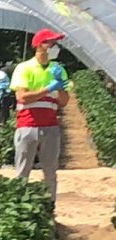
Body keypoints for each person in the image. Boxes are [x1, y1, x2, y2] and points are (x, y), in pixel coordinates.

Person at [11, 29, 73, 205]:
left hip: (51, 127)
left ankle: (49, 207)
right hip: (27, 126)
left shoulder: (58, 69)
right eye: (51, 43)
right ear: (39, 46)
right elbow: (22, 97)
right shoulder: (24, 68)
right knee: (22, 170)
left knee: (50, 171)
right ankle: (17, 206)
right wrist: (48, 88)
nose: (55, 47)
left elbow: (63, 102)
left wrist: (60, 87)